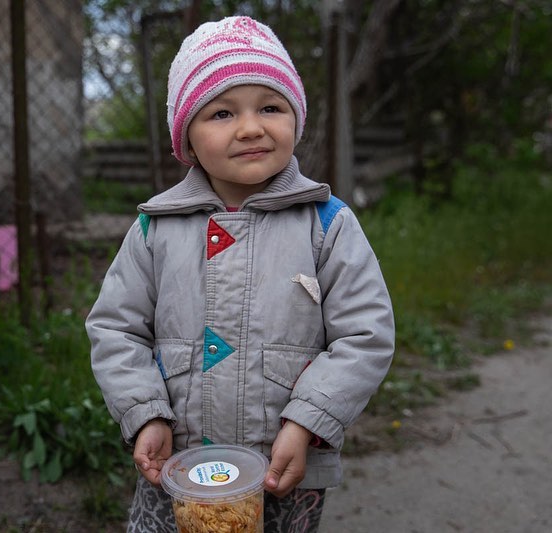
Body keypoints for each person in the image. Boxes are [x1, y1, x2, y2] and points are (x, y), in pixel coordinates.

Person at [85, 15, 395, 532]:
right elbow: (115, 328)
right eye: (223, 112)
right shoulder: (154, 229)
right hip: (177, 468)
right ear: (186, 135)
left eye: (270, 107)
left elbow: (365, 334)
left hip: (284, 464)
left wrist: (307, 423)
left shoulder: (327, 224)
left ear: (295, 116)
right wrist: (146, 413)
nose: (251, 127)